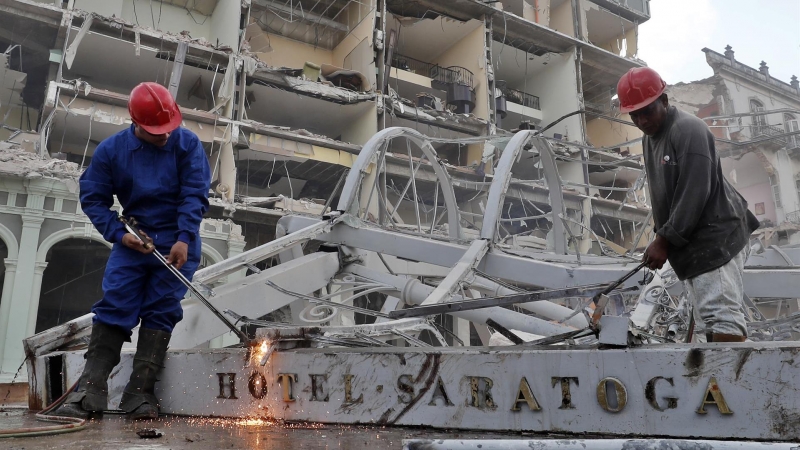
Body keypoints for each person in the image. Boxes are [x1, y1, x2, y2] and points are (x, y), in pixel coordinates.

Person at [54, 82, 211, 419]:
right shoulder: (112, 152)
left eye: (170, 128)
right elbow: (93, 197)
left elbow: (194, 194)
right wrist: (117, 233)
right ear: (137, 124)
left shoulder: (188, 144)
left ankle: (139, 394)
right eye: (157, 132)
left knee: (161, 310)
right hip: (133, 239)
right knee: (115, 304)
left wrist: (184, 236)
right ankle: (89, 392)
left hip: (179, 241)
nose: (165, 136)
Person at [617, 67, 760, 343]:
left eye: (647, 111)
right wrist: (663, 238)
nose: (641, 120)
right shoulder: (651, 138)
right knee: (709, 323)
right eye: (634, 114)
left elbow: (694, 191)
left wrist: (664, 239)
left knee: (721, 319)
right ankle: (721, 379)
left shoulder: (689, 130)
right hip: (695, 244)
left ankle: (731, 384)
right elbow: (665, 195)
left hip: (716, 238)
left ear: (665, 101)